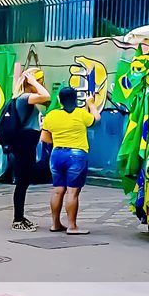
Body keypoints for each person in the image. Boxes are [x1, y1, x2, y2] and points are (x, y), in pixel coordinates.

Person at [39, 85, 99, 235]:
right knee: (72, 192)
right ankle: (72, 226)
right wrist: (91, 103)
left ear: (59, 99)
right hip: (77, 155)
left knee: (58, 190)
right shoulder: (81, 114)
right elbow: (96, 119)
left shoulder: (52, 115)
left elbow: (45, 138)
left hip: (57, 154)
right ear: (75, 99)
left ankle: (55, 224)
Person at [8, 68, 51, 231]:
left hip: (27, 144)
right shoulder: (25, 98)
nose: (42, 85)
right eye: (41, 82)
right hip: (23, 145)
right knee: (22, 182)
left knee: (24, 181)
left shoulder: (24, 99)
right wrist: (33, 81)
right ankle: (17, 219)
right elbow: (46, 96)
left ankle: (20, 216)